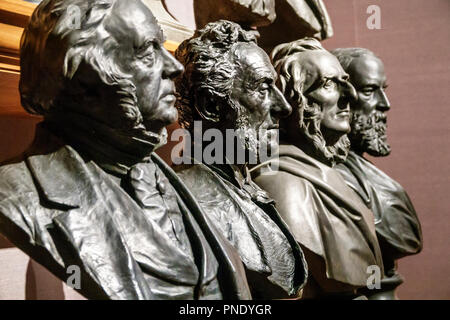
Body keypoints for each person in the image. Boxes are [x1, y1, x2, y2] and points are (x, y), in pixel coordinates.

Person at [0, 0, 251, 300]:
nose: (174, 67)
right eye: (147, 49)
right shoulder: (15, 196)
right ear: (85, 80)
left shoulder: (169, 179)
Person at [174, 20, 307, 299]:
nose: (283, 106)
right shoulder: (189, 201)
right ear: (211, 105)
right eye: (262, 87)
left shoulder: (248, 189)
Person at [251, 38, 384, 299]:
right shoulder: (284, 187)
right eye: (328, 84)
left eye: (345, 82)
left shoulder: (325, 174)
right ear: (292, 101)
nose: (350, 95)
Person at [332, 47, 423, 299]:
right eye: (370, 91)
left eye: (384, 89)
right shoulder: (332, 179)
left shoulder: (365, 174)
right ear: (339, 98)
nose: (385, 104)